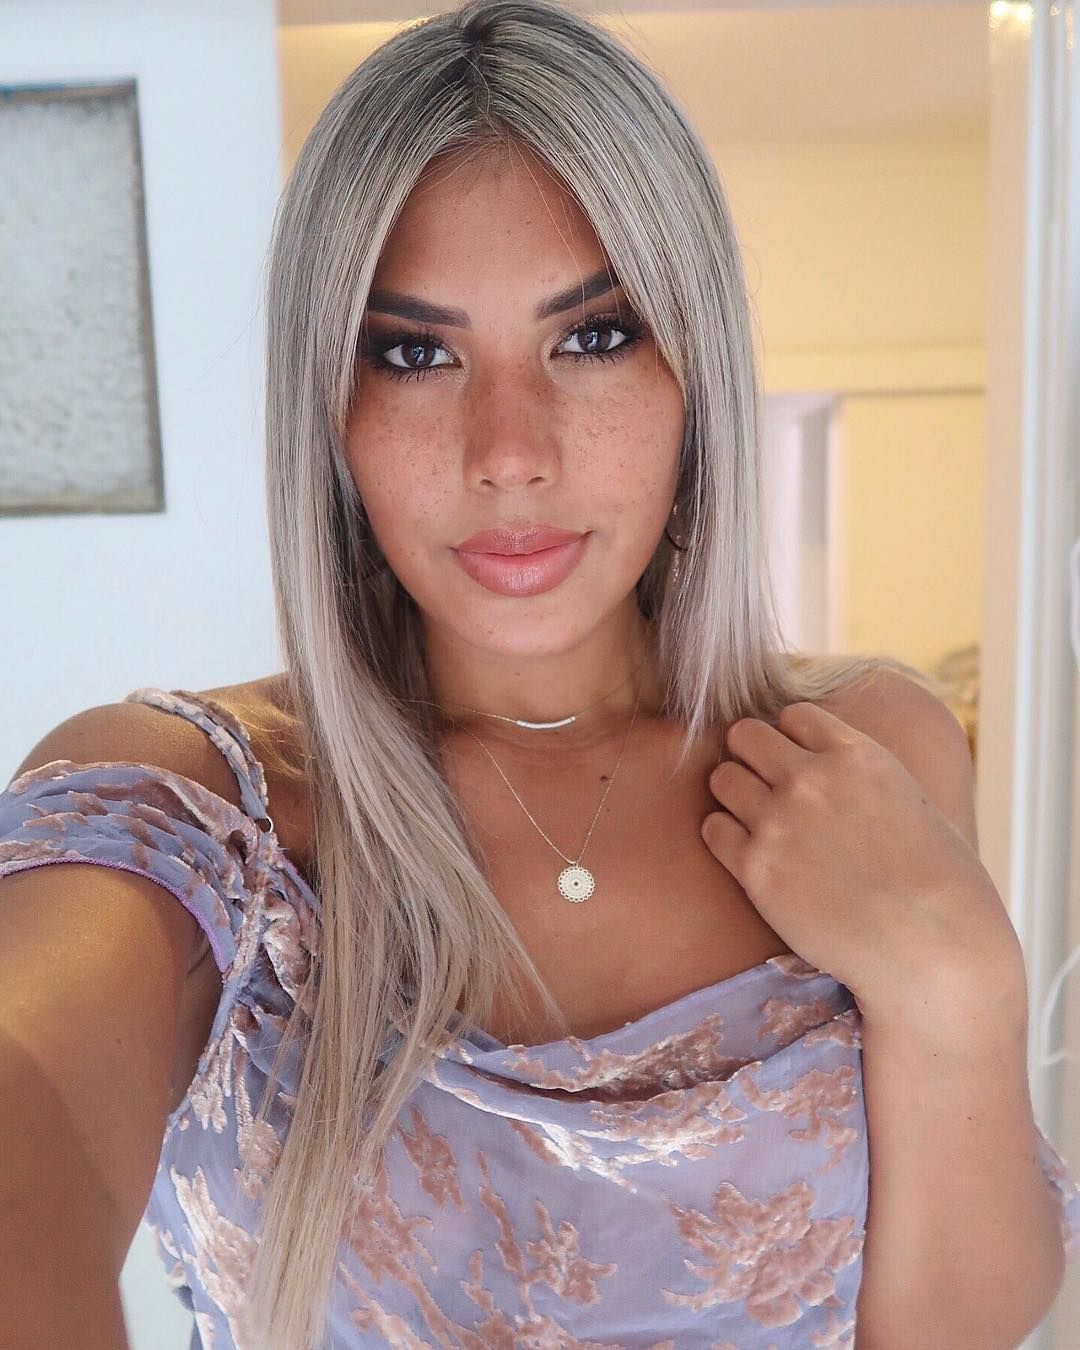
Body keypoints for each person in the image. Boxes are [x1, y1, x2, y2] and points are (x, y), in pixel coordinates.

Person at [2, 2, 1078, 1347]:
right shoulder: (199, 807)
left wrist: (961, 991)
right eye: (415, 352)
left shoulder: (864, 751)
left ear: (696, 375)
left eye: (594, 336)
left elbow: (951, 1328)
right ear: (330, 411)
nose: (510, 452)